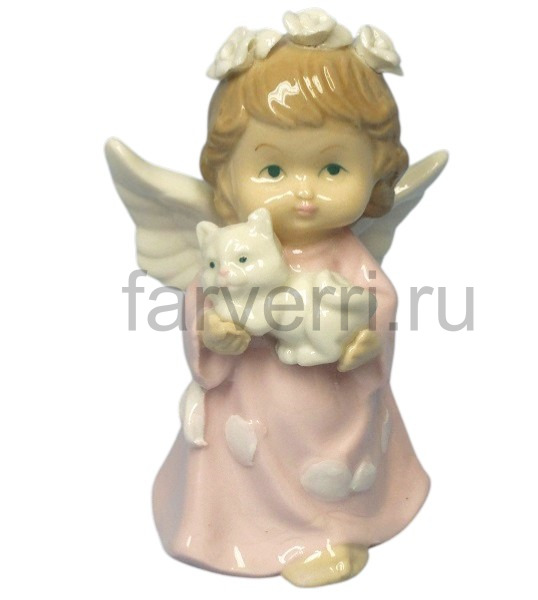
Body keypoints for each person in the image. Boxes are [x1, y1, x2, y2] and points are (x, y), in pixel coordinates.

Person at [152, 20, 430, 587]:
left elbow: (379, 298)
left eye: (333, 168)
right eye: (274, 169)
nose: (304, 191)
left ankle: (330, 530)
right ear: (227, 175)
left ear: (375, 169)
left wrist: (365, 338)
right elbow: (204, 297)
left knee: (335, 461)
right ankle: (233, 527)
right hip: (254, 398)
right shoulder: (235, 248)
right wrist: (215, 333)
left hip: (331, 403)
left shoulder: (345, 251)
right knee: (243, 456)